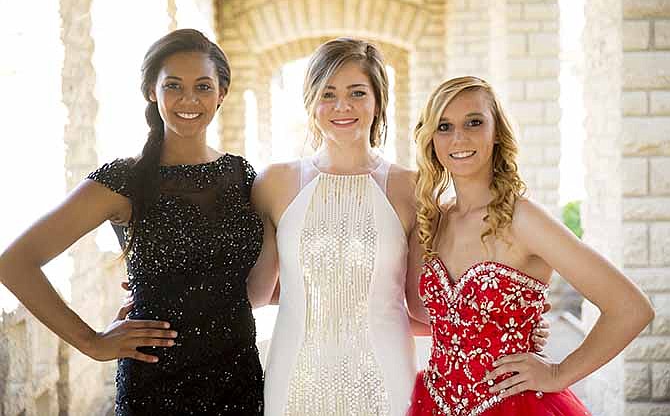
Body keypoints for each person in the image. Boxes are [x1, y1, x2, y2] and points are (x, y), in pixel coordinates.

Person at [246, 39, 550, 416]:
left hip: (385, 376)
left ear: (378, 101)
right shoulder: (274, 183)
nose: (343, 106)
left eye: (358, 92)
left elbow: (425, 308)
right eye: (328, 93)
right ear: (311, 100)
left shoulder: (413, 188)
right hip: (295, 376)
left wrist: (507, 329)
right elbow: (257, 292)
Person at [0, 29, 264, 415]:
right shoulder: (123, 180)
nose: (189, 99)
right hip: (157, 385)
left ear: (221, 93)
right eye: (173, 85)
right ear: (152, 92)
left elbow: (254, 273)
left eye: (203, 86)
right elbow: (15, 263)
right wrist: (91, 342)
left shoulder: (241, 174)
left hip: (238, 379)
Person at [406, 76, 655, 415]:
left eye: (474, 122)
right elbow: (437, 319)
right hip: (434, 402)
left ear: (497, 134)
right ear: (431, 138)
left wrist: (558, 373)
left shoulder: (523, 220)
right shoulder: (433, 221)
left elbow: (631, 307)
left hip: (516, 405)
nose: (459, 137)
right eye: (444, 126)